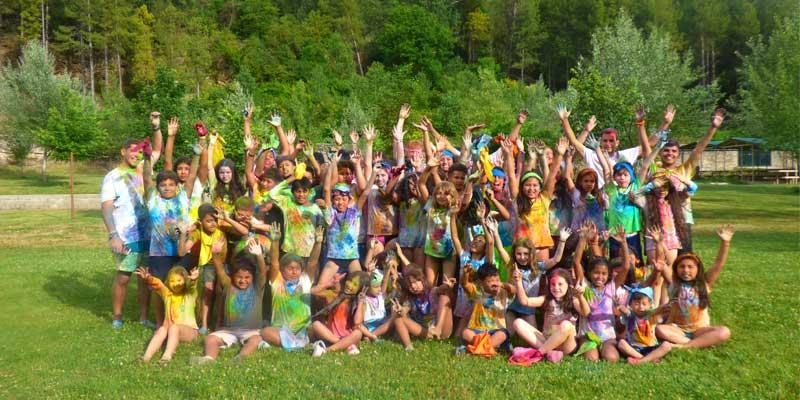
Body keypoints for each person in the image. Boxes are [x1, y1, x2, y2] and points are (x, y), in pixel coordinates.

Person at [101, 136, 156, 329]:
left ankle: (143, 317)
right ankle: (117, 316)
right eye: (132, 150)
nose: (136, 154)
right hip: (126, 237)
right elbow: (106, 207)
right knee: (124, 277)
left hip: (147, 236)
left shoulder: (142, 173)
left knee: (144, 277)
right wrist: (113, 234)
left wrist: (155, 131)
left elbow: (154, 153)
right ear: (123, 151)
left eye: (139, 151)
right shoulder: (112, 177)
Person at [656, 225, 734, 349]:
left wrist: (725, 243)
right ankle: (700, 343)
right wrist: (659, 243)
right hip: (677, 329)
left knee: (724, 332)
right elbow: (661, 261)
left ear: (698, 269)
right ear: (676, 269)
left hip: (700, 330)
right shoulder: (674, 283)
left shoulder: (705, 283)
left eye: (690, 267)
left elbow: (719, 264)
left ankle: (684, 345)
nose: (686, 270)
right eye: (682, 266)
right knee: (659, 329)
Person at [190, 238, 267, 364]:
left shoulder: (257, 287)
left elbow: (263, 272)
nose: (243, 280)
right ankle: (209, 358)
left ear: (253, 278)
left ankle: (240, 357)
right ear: (233, 276)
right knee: (210, 338)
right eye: (239, 277)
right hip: (228, 330)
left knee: (256, 339)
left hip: (251, 331)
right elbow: (219, 269)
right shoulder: (228, 284)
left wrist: (259, 255)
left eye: (247, 277)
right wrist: (215, 254)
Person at [142, 153, 192, 326]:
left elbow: (192, 177)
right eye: (163, 185)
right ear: (158, 187)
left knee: (181, 287)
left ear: (177, 186)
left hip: (181, 250)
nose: (167, 188)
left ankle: (180, 321)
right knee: (159, 288)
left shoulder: (183, 198)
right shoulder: (153, 201)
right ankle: (160, 323)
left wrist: (198, 154)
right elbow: (146, 178)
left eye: (171, 184)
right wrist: (148, 158)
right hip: (159, 252)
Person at [260, 224, 322, 350]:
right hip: (280, 329)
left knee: (315, 327)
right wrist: (275, 241)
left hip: (303, 329)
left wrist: (317, 243)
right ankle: (298, 345)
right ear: (282, 270)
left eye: (297, 269)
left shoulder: (305, 280)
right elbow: (274, 262)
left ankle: (291, 344)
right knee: (265, 332)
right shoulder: (277, 281)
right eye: (290, 268)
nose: (294, 271)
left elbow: (312, 262)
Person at [574, 226, 631, 362]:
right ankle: (590, 349)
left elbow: (626, 267)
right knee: (592, 359)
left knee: (611, 358)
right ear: (589, 273)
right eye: (596, 273)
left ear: (609, 275)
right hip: (588, 334)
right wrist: (582, 239)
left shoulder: (611, 287)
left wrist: (623, 243)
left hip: (607, 336)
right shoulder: (585, 285)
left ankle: (606, 349)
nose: (600, 277)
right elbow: (576, 262)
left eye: (604, 274)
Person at [512, 268, 590, 362]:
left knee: (566, 324)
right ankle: (549, 353)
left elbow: (586, 312)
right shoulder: (547, 299)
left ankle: (538, 353)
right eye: (553, 284)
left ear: (569, 285)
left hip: (566, 345)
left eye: (560, 284)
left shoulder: (573, 300)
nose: (556, 288)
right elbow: (525, 301)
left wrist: (580, 296)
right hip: (547, 340)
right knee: (517, 322)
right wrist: (518, 282)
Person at [178, 204, 227, 334]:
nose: (213, 224)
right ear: (201, 222)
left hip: (222, 265)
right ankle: (204, 324)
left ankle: (219, 323)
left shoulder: (222, 231)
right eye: (209, 221)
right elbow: (182, 252)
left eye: (215, 220)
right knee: (207, 292)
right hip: (208, 265)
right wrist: (183, 235)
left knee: (220, 292)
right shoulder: (197, 233)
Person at [134, 266, 199, 363]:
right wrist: (148, 278)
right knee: (161, 329)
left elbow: (192, 287)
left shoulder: (189, 295)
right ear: (168, 282)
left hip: (190, 331)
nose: (176, 284)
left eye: (179, 280)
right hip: (170, 331)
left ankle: (166, 356)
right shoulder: (167, 295)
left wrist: (194, 280)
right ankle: (146, 357)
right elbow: (158, 285)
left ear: (185, 280)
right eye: (172, 281)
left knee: (174, 328)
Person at [459, 263, 516, 355]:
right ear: (481, 283)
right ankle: (488, 349)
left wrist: (502, 285)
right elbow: (465, 284)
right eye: (490, 281)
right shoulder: (476, 292)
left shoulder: (503, 293)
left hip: (496, 330)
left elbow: (513, 290)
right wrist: (465, 273)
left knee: (502, 334)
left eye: (497, 280)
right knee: (466, 332)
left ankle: (478, 348)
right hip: (477, 331)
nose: (495, 283)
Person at [309, 271, 369, 356]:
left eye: (355, 284)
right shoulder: (335, 295)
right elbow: (312, 291)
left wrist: (360, 302)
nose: (350, 285)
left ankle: (326, 350)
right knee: (316, 324)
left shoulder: (360, 303)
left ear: (360, 289)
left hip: (348, 336)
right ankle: (344, 345)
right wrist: (329, 284)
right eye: (350, 280)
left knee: (358, 333)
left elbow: (357, 322)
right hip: (331, 336)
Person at [617, 286, 673, 364]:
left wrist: (665, 306)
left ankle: (641, 361)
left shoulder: (651, 316)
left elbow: (658, 310)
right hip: (635, 348)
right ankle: (648, 359)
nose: (641, 307)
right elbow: (626, 311)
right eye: (637, 304)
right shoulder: (630, 316)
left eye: (644, 304)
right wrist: (620, 306)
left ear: (650, 305)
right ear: (631, 305)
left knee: (667, 345)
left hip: (651, 348)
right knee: (621, 343)